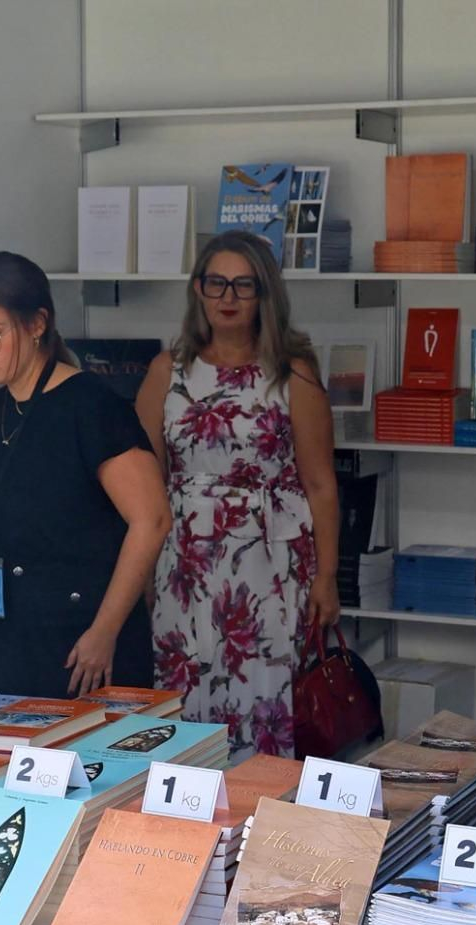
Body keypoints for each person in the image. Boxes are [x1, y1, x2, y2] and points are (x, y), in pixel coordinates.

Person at [135, 232, 339, 758]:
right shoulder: (168, 371)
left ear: (264, 294)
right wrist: (142, 575)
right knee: (184, 698)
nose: (228, 297)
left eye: (243, 285)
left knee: (265, 698)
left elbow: (320, 483)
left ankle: (261, 826)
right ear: (198, 291)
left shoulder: (293, 373)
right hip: (183, 563)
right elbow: (144, 489)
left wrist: (327, 576)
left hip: (269, 565)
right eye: (216, 283)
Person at [0, 251, 171, 698]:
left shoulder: (90, 406)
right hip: (8, 631)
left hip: (83, 642)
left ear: (37, 324)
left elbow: (151, 520)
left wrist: (104, 631)